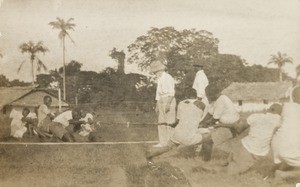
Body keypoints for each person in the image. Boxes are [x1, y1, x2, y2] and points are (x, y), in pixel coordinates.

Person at [194, 103, 282, 175]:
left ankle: (224, 164)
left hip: (241, 145)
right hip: (252, 151)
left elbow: (239, 128)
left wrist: (221, 125)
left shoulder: (256, 116)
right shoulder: (279, 122)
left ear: (269, 109)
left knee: (230, 165)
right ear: (280, 113)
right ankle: (205, 169)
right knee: (228, 173)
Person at [146, 88, 212, 164]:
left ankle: (150, 155)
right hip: (190, 136)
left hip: (177, 134)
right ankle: (206, 162)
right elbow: (202, 121)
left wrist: (173, 124)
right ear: (196, 95)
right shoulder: (202, 104)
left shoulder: (181, 103)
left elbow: (177, 121)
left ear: (186, 96)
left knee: (167, 147)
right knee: (208, 137)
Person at [271, 86, 300, 182]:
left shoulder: (287, 107)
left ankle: (273, 172)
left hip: (276, 144)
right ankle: (282, 175)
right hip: (288, 146)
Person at [150, 60, 176, 147]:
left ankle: (170, 142)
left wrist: (168, 104)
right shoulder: (159, 79)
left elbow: (171, 93)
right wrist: (157, 104)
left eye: (156, 72)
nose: (155, 74)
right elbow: (158, 93)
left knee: (169, 122)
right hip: (161, 100)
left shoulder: (168, 78)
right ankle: (162, 142)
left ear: (160, 70)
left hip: (169, 99)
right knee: (161, 122)